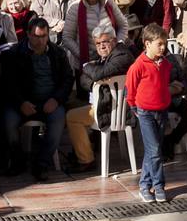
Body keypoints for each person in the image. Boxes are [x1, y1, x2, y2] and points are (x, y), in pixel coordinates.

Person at [2, 17, 73, 182]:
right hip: (23, 101)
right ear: (28, 34)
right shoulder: (15, 54)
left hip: (49, 101)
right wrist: (21, 102)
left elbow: (67, 79)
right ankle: (18, 159)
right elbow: (8, 82)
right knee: (8, 122)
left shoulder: (58, 53)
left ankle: (42, 163)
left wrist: (56, 99)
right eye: (36, 36)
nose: (40, 40)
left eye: (43, 36)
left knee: (58, 122)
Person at [65, 22, 135, 172]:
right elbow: (84, 80)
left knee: (72, 117)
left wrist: (87, 67)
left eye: (105, 42)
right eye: (98, 43)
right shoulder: (105, 57)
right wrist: (94, 84)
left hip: (117, 111)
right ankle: (85, 152)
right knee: (73, 105)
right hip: (106, 105)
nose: (101, 46)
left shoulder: (122, 56)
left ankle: (86, 160)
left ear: (114, 41)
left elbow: (96, 73)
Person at [126, 24, 175, 202]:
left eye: (164, 44)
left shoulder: (165, 64)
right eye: (159, 44)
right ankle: (159, 185)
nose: (163, 47)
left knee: (152, 150)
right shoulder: (138, 65)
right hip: (145, 112)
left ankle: (144, 185)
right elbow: (130, 88)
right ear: (147, 44)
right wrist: (133, 106)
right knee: (154, 150)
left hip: (161, 110)